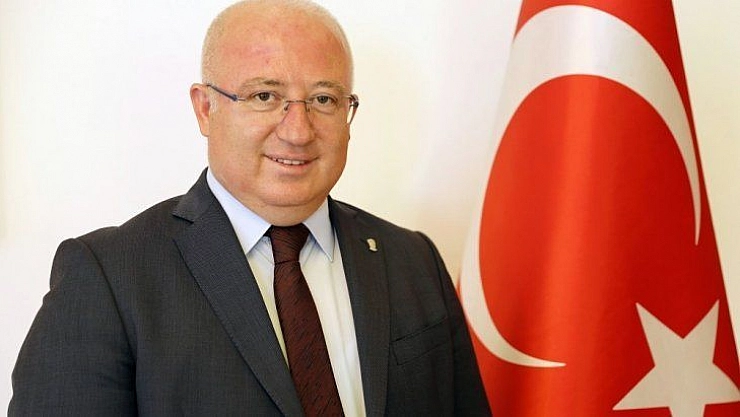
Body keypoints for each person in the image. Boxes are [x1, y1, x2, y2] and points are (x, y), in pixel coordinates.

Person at [9, 1, 490, 415]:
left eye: (323, 99)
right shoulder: (108, 278)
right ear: (205, 108)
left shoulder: (414, 260)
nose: (298, 131)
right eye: (265, 96)